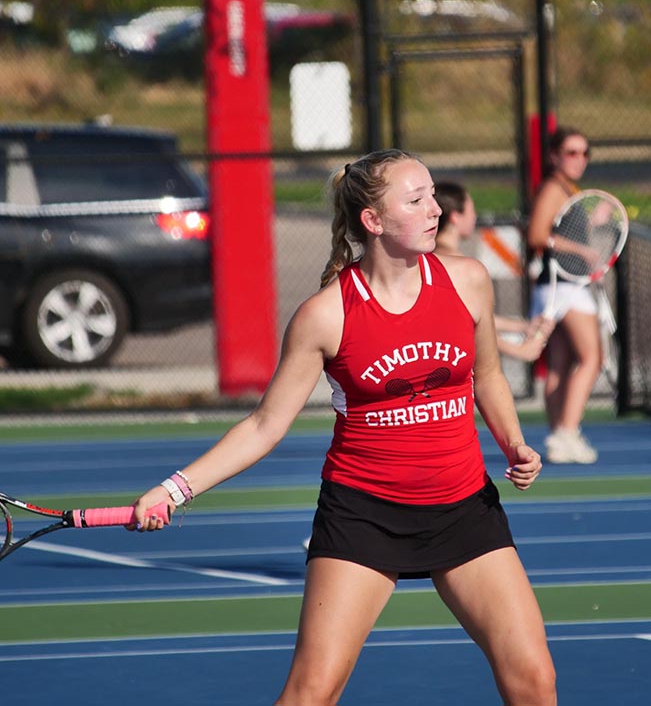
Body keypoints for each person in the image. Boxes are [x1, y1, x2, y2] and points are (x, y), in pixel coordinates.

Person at [130, 149, 558, 706]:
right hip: (364, 517)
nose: (436, 211)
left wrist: (513, 441)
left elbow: (489, 377)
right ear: (372, 221)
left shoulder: (468, 281)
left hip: (463, 507)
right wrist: (174, 488)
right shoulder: (326, 315)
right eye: (416, 200)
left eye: (433, 196)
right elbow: (264, 426)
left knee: (534, 679)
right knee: (312, 692)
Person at [526, 127, 602, 465]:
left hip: (557, 286)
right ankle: (567, 433)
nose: (579, 159)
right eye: (572, 152)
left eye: (584, 153)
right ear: (554, 156)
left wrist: (592, 223)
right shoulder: (554, 188)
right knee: (591, 359)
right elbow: (538, 234)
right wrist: (583, 251)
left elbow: (561, 230)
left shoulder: (569, 190)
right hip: (564, 286)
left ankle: (558, 435)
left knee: (560, 364)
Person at [433, 181, 555, 362]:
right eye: (471, 209)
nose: (474, 216)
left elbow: (475, 316)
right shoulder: (457, 265)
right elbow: (468, 327)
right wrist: (518, 350)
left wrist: (523, 327)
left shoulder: (432, 258)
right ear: (455, 217)